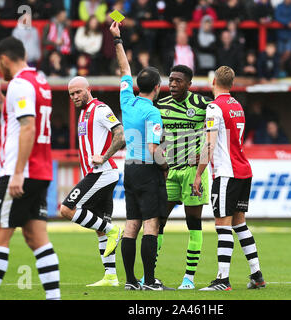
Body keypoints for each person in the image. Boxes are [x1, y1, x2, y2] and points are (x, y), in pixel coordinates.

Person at [0, 37, 60, 300]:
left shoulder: (20, 83)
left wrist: (17, 173)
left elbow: (28, 128)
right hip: (41, 172)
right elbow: (18, 119)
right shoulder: (40, 81)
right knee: (36, 238)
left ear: (4, 58)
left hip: (21, 172)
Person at [110, 21, 173, 291]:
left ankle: (130, 281)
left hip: (129, 168)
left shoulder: (127, 100)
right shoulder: (153, 112)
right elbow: (152, 149)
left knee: (130, 224)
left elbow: (125, 68)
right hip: (147, 169)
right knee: (150, 223)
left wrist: (117, 39)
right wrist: (165, 165)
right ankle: (149, 281)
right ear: (158, 87)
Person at [193, 66, 265, 291]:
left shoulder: (214, 107)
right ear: (232, 84)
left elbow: (210, 145)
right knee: (239, 224)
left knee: (222, 226)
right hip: (244, 171)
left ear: (213, 81)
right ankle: (257, 274)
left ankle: (222, 280)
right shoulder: (237, 105)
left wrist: (198, 174)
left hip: (226, 173)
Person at [59, 76, 124, 287]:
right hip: (96, 174)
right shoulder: (83, 114)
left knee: (66, 209)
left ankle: (114, 230)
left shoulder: (100, 108)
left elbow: (120, 134)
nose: (75, 96)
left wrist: (104, 157)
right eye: (71, 94)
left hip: (102, 173)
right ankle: (111, 276)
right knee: (100, 227)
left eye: (78, 92)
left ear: (89, 89)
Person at [153, 64, 212, 290]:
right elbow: (157, 138)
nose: (173, 84)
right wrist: (161, 160)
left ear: (189, 84)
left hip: (192, 173)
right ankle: (150, 275)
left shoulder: (203, 104)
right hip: (170, 171)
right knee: (158, 221)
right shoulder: (161, 106)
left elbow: (217, 128)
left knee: (193, 223)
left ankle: (189, 278)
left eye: (178, 81)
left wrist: (204, 154)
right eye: (171, 80)